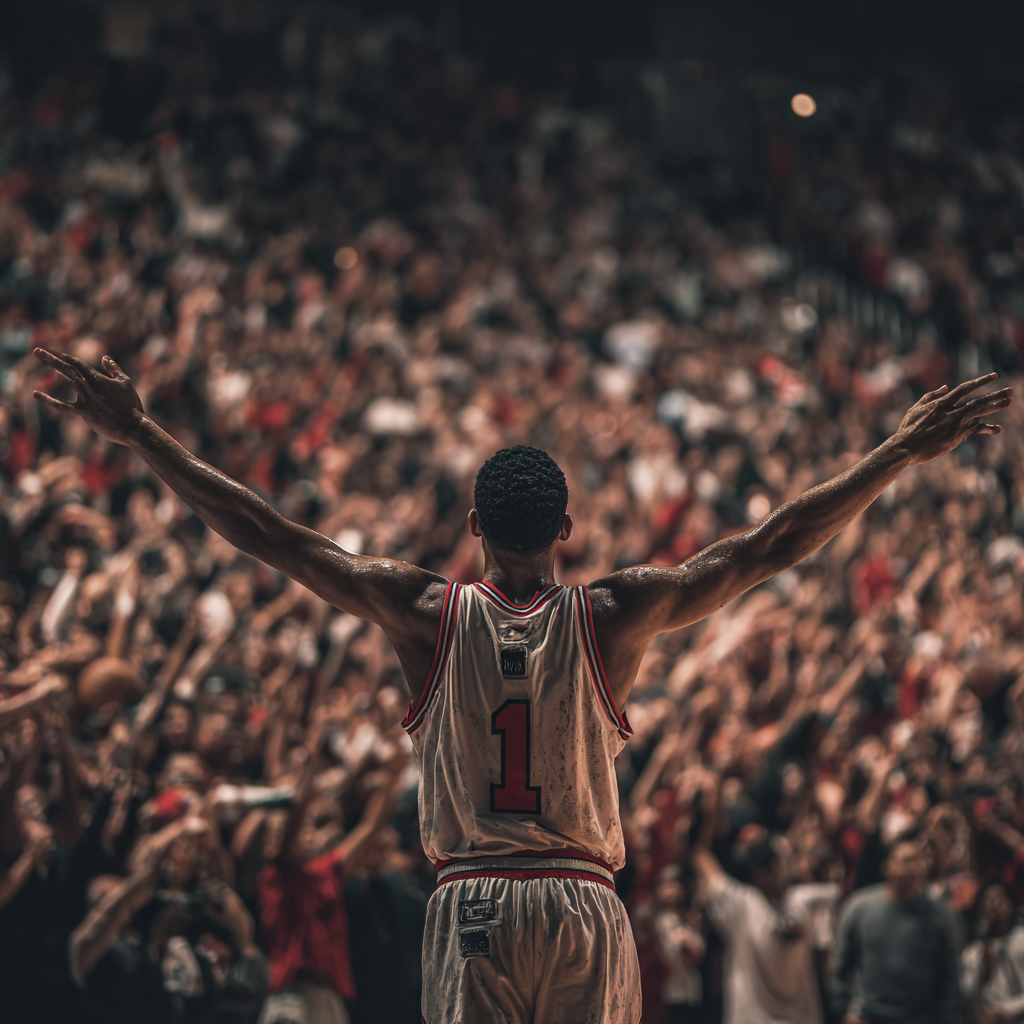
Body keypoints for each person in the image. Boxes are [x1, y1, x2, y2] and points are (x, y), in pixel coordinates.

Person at [30, 347, 1011, 1022]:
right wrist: (896, 451)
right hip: (583, 897)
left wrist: (146, 433)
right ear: (566, 528)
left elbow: (273, 537)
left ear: (471, 523)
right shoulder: (618, 611)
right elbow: (769, 544)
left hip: (474, 899)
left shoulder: (424, 611)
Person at [831, 833, 963, 1024]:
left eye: (917, 861)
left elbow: (951, 974)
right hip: (871, 1015)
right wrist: (844, 1009)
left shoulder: (940, 914)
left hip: (921, 1018)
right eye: (904, 860)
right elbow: (839, 966)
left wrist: (945, 1016)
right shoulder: (860, 908)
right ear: (887, 865)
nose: (910, 868)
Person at [961, 883, 1024, 1024]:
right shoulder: (973, 951)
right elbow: (966, 994)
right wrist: (983, 967)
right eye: (987, 899)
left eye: (1000, 899)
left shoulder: (1020, 940)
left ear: (1012, 905)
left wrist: (1004, 1012)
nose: (993, 904)